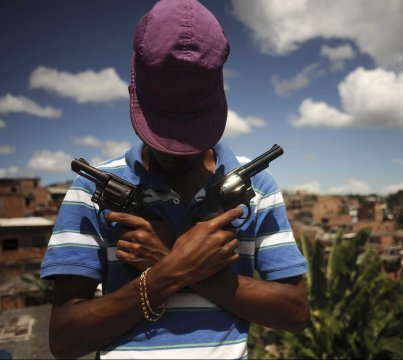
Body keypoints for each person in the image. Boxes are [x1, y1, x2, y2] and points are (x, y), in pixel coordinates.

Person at [40, 0, 310, 358]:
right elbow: (64, 340)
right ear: (134, 89)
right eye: (164, 130)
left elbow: (295, 312)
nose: (177, 150)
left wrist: (171, 259)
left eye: (190, 131)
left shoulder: (258, 187)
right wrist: (171, 271)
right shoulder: (90, 190)